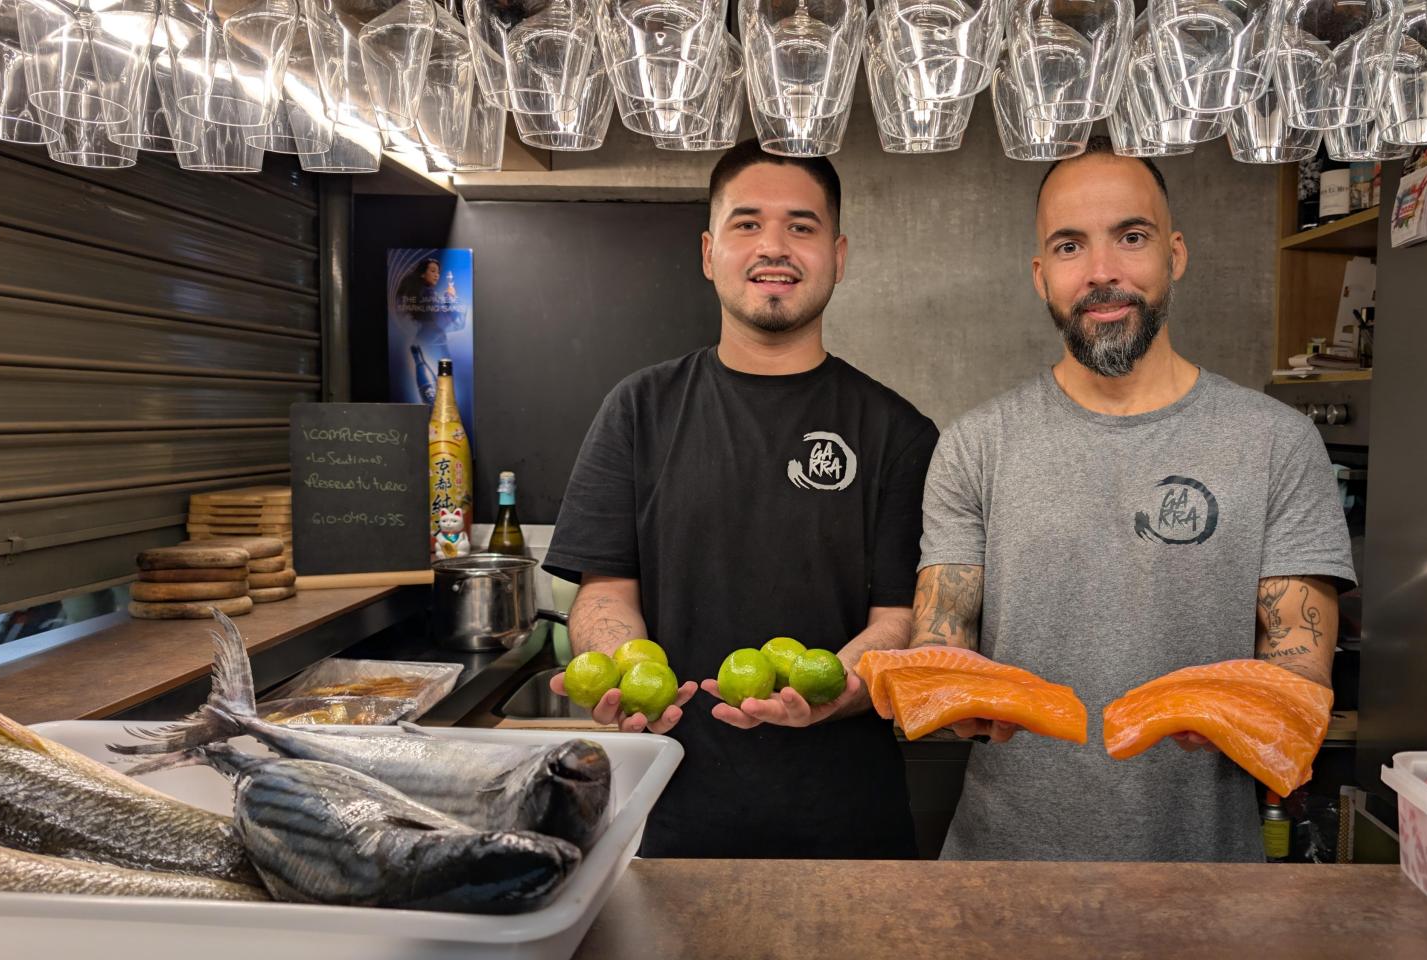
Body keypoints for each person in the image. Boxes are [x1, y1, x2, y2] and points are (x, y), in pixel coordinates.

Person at [911, 138, 1356, 862]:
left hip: (1204, 875)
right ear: (1041, 275)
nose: (1101, 272)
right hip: (1001, 876)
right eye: (1069, 246)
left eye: (1131, 237)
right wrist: (952, 695)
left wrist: (1245, 710)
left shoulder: (1276, 442)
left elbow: (1301, 667)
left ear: (1175, 255)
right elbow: (941, 636)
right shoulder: (974, 446)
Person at [544, 140, 938, 859]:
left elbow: (899, 618)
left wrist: (833, 690)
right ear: (708, 252)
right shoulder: (638, 410)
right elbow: (605, 592)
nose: (774, 246)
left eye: (801, 226)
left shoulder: (900, 432)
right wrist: (624, 667)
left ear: (838, 256)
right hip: (665, 819)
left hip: (849, 829)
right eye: (747, 223)